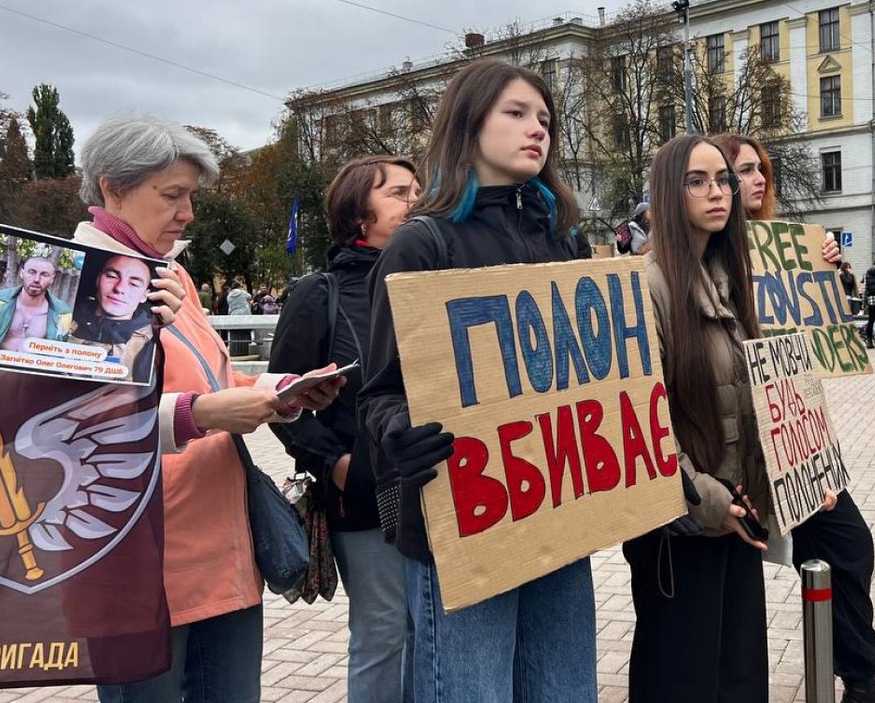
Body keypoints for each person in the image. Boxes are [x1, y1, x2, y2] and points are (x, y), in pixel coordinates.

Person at [71, 114, 345, 703]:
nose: (188, 212)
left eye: (191, 195)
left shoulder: (172, 274)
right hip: (137, 561)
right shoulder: (67, 285)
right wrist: (203, 415)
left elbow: (215, 377)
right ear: (113, 188)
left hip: (221, 548)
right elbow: (72, 428)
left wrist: (284, 391)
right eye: (172, 195)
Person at [360, 57, 596, 703]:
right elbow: (379, 391)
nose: (536, 130)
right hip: (463, 524)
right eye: (516, 114)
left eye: (545, 119)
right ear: (470, 125)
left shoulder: (567, 245)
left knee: (564, 692)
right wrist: (399, 433)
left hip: (559, 516)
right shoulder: (421, 245)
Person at [712, 132, 875, 703]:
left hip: (795, 428)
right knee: (743, 575)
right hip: (743, 437)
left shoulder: (788, 247)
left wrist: (827, 273)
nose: (755, 180)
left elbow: (814, 334)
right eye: (741, 170)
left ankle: (859, 679)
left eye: (760, 170)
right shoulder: (702, 254)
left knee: (848, 544)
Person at [626, 134, 773, 703]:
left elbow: (756, 389)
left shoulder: (730, 276)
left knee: (736, 672)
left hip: (735, 509)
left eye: (724, 181)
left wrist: (797, 471)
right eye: (697, 180)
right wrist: (707, 500)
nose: (717, 192)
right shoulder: (646, 284)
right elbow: (643, 418)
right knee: (683, 676)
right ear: (667, 191)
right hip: (679, 524)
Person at [268, 155, 421, 703]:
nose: (416, 202)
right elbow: (279, 403)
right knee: (385, 633)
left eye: (419, 191)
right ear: (361, 214)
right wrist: (336, 464)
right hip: (366, 497)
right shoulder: (321, 293)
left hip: (441, 485)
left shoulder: (432, 280)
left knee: (433, 632)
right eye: (400, 193)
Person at [68, 253, 158, 382]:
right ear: (98, 280)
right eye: (112, 276)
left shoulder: (153, 342)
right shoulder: (60, 322)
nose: (119, 288)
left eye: (133, 284)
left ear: (144, 295)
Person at [0, 255, 73, 351]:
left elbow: (62, 350)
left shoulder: (63, 314)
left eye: (44, 275)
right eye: (32, 272)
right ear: (22, 273)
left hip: (34, 364)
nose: (36, 279)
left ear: (52, 279)